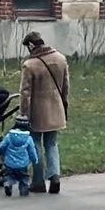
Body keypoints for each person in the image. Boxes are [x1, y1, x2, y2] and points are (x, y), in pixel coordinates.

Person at [17, 24, 71, 193]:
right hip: (56, 107)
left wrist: (23, 114)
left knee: (35, 144)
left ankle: (38, 181)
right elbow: (66, 86)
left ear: (31, 45)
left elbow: (25, 93)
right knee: (52, 143)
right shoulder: (61, 59)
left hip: (37, 111)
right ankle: (54, 176)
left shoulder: (30, 65)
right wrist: (64, 104)